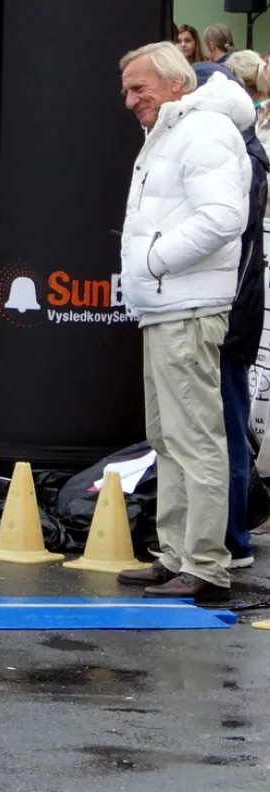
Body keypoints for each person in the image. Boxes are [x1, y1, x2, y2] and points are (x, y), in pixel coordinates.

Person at [115, 44, 250, 602]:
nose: (130, 100)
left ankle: (204, 564)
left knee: (194, 440)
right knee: (169, 438)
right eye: (126, 89)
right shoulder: (176, 130)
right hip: (168, 306)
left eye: (138, 88)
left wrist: (153, 259)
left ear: (175, 84)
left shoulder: (203, 131)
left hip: (187, 307)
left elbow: (224, 217)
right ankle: (176, 556)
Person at [199, 59, 267, 571]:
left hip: (228, 314)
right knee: (222, 425)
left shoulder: (239, 157)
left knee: (225, 427)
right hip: (231, 310)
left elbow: (234, 246)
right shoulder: (243, 150)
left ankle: (233, 537)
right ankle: (227, 535)